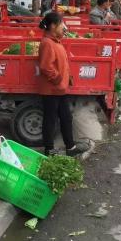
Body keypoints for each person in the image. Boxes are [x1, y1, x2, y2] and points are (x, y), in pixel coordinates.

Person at [38, 12, 88, 156]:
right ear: (53, 26)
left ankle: (70, 147)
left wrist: (68, 77)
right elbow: (45, 67)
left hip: (60, 89)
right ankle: (49, 149)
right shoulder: (47, 43)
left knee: (66, 117)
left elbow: (62, 63)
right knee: (50, 119)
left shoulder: (56, 41)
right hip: (52, 90)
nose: (63, 28)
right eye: (61, 24)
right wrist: (58, 79)